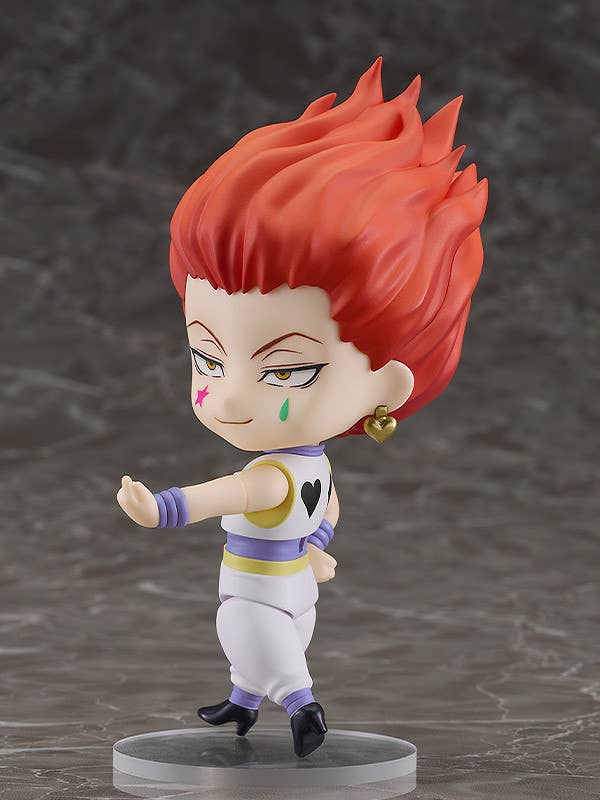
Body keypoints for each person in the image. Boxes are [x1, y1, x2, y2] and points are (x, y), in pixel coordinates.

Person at [116, 57, 488, 758]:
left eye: (286, 370)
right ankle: (241, 705)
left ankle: (302, 708)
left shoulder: (271, 475)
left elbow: (219, 496)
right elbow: (328, 510)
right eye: (207, 358)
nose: (229, 395)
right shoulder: (316, 471)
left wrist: (157, 508)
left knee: (243, 634)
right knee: (255, 653)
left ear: (387, 388)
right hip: (295, 588)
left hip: (259, 593)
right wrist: (315, 548)